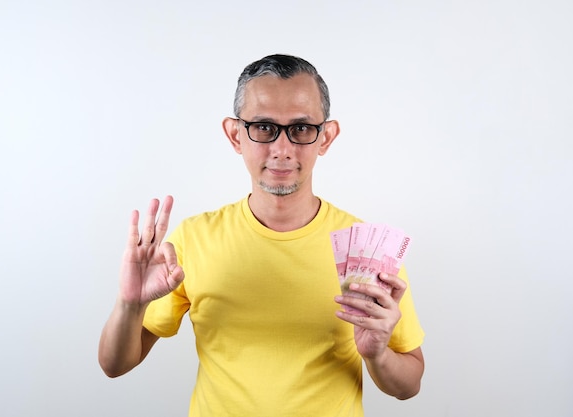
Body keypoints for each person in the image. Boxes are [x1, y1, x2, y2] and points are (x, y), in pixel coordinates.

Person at [98, 54, 425, 416]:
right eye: (264, 127)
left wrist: (378, 353)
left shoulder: (369, 250)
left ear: (326, 137)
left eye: (301, 129)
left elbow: (409, 385)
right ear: (235, 134)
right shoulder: (193, 239)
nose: (281, 150)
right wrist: (129, 304)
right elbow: (115, 365)